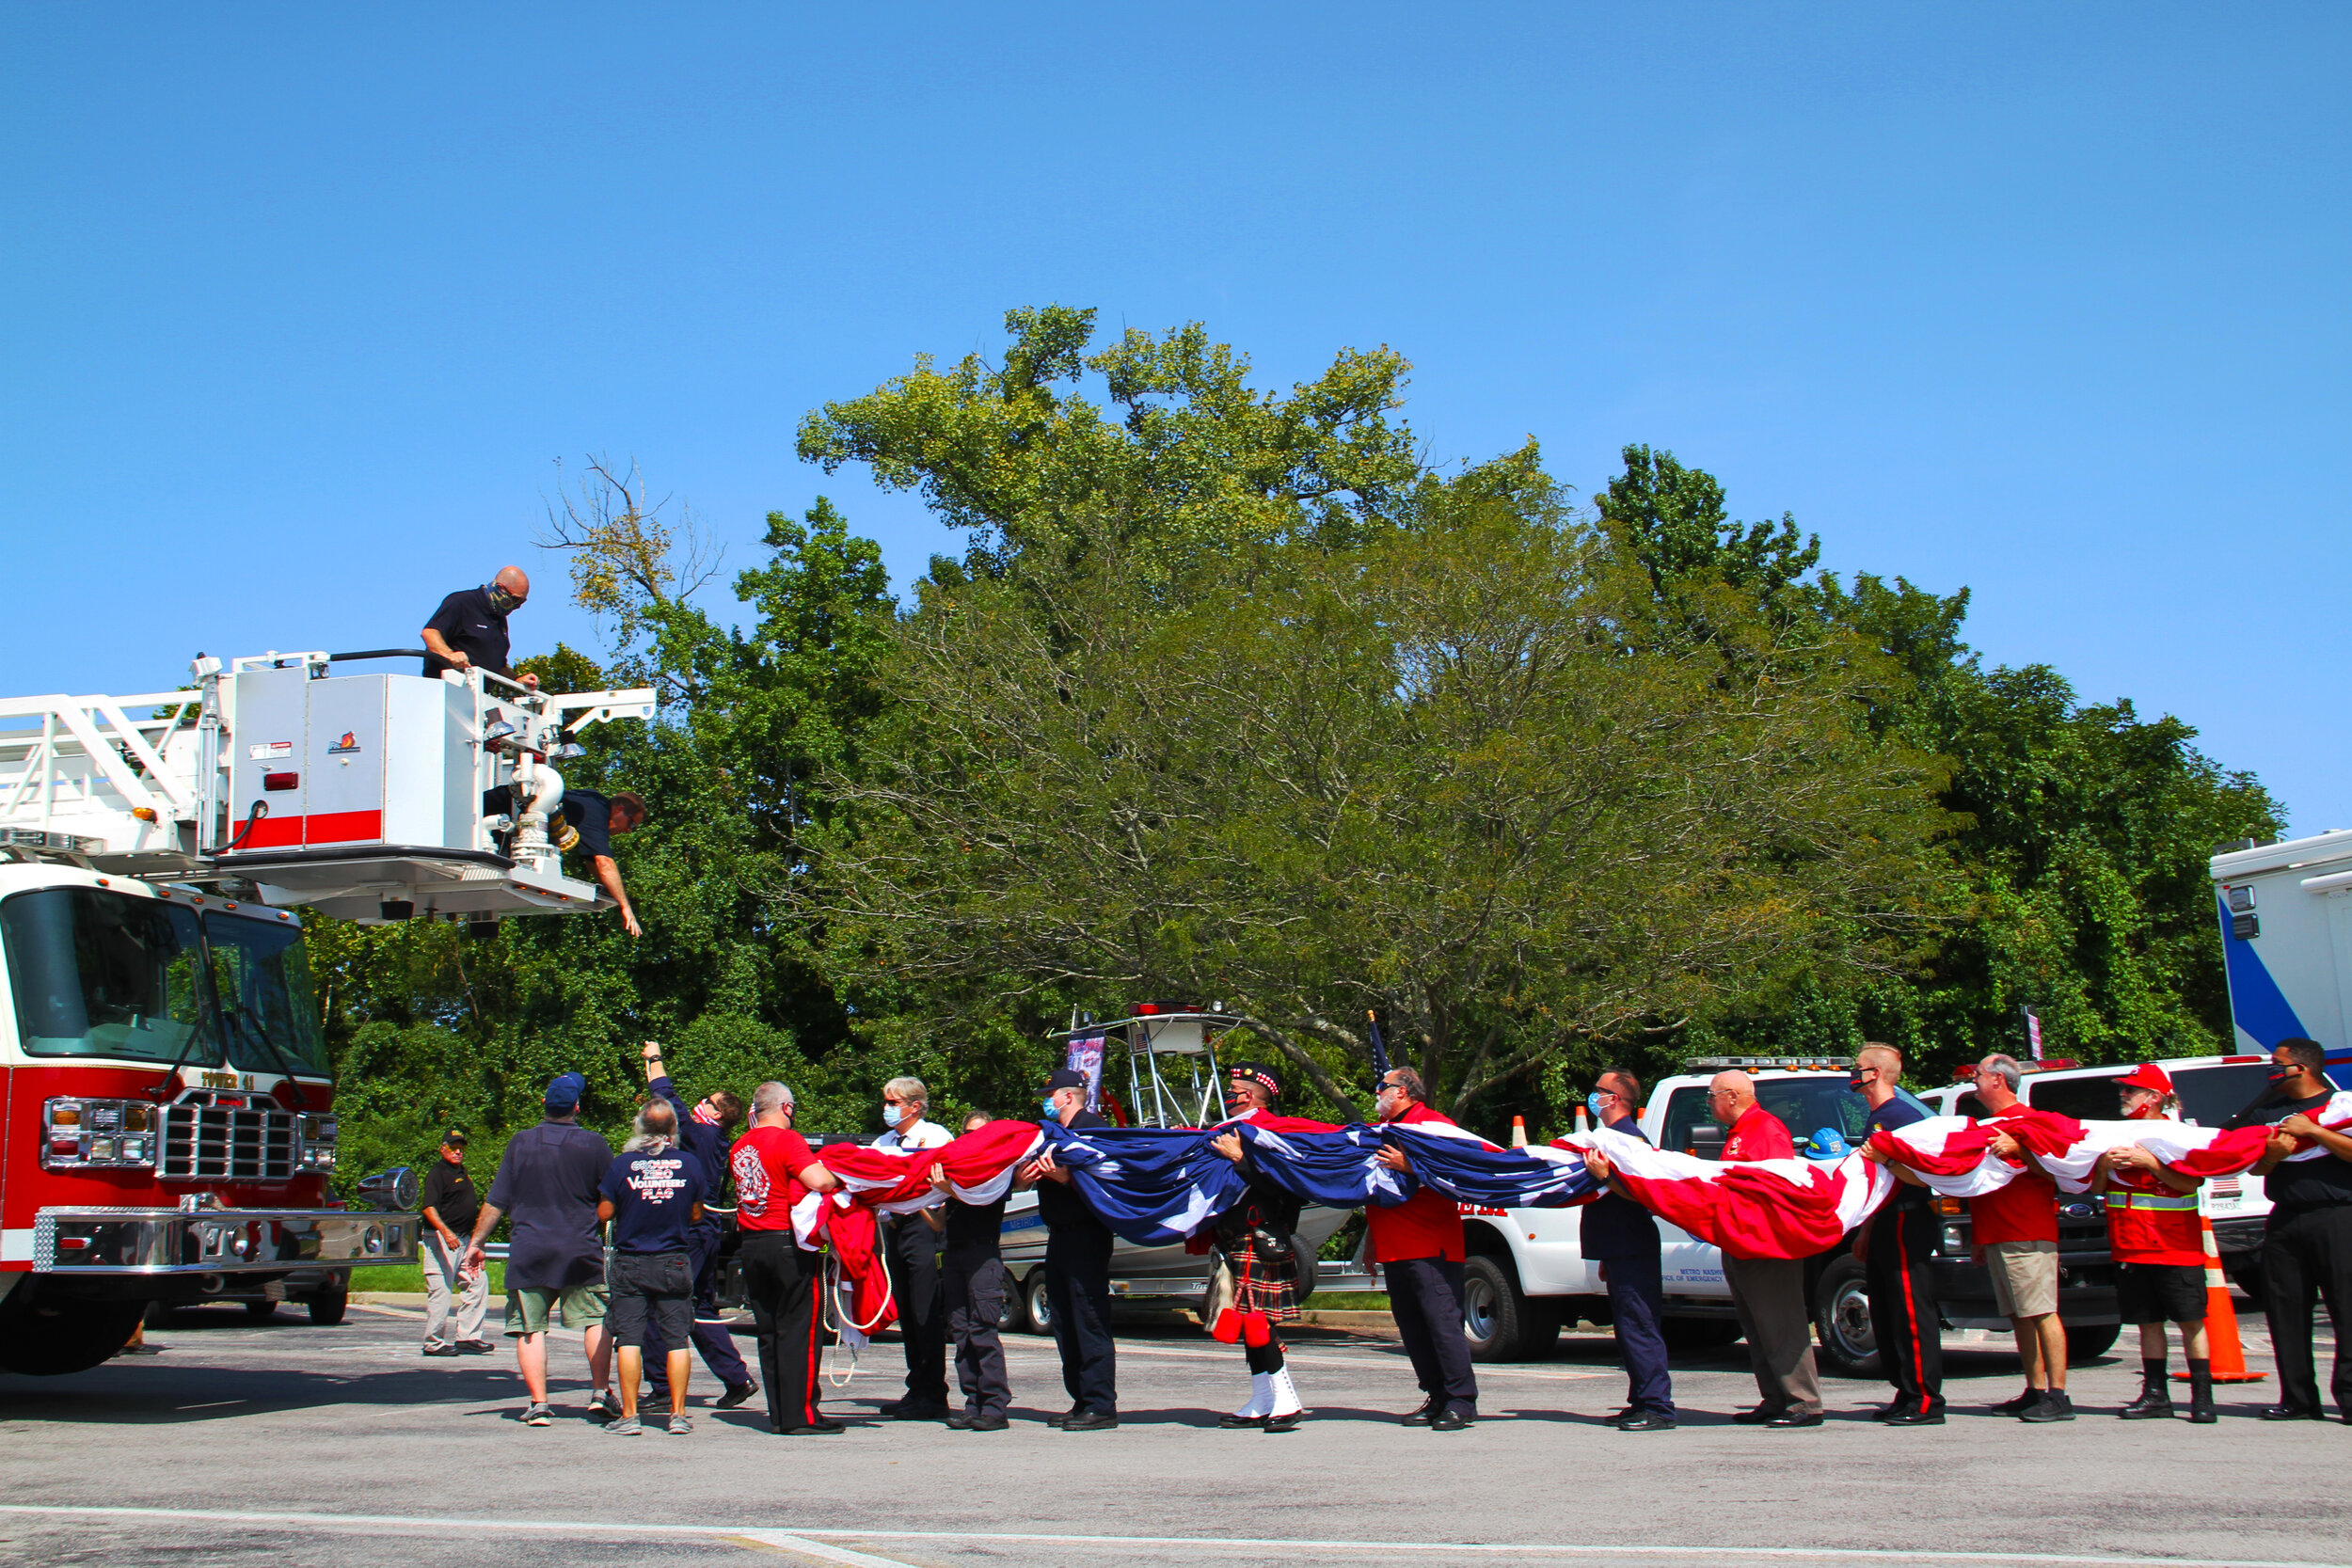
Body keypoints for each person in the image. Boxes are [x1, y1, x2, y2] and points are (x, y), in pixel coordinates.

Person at [458, 1072, 617, 1427]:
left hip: (530, 1248)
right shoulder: (594, 1144)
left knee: (532, 1328)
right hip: (580, 1248)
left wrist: (475, 1244)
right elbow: (611, 1198)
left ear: (544, 1105)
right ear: (577, 1106)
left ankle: (539, 1404)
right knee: (594, 1319)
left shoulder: (521, 1143)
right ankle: (599, 1392)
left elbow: (497, 1201)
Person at [636, 1041, 756, 1411]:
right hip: (706, 1233)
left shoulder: (701, 1135)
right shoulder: (713, 1140)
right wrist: (649, 1065)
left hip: (689, 1233)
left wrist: (657, 1058)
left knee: (659, 1304)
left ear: (717, 1114)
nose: (700, 1102)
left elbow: (666, 1100)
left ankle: (660, 1386)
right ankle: (737, 1378)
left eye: (708, 1100)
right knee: (700, 1309)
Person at [2093, 1062, 2216, 1424]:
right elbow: (2097, 1188)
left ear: (2155, 1097)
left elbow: (2191, 1184)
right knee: (2147, 1324)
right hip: (2130, 1246)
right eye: (2123, 1089)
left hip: (2176, 1246)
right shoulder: (2113, 1135)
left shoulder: (2178, 1136)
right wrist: (2102, 1165)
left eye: (2130, 1090)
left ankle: (2202, 1397)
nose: (2123, 1095)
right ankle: (2155, 1395)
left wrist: (2152, 1163)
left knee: (2191, 1322)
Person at [730, 1080, 848, 1435]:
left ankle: (780, 1412)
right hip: (785, 1243)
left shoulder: (739, 1145)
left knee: (769, 1331)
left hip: (752, 1242)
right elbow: (821, 1182)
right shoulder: (786, 1140)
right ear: (786, 1108)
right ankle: (802, 1415)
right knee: (800, 1331)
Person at [1707, 1069, 1822, 1429]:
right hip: (1742, 1242)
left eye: (1711, 1096)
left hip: (1766, 1244)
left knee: (1781, 1323)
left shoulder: (1765, 1129)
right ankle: (1775, 1398)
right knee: (1757, 1326)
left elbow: (1776, 1186)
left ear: (1731, 1096)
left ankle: (1803, 1401)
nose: (1708, 1104)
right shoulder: (1740, 1133)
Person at [1369, 1067, 1480, 1432]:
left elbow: (1458, 1173)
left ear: (1402, 1092)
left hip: (1430, 1243)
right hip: (1394, 1243)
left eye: (1381, 1086)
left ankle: (1460, 1400)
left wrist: (1410, 1165)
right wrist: (1371, 1240)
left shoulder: (1434, 1126)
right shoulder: (1383, 1131)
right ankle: (1436, 1395)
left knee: (1442, 1323)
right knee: (1413, 1327)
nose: (1377, 1092)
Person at [2248, 1037, 2352, 1421]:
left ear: (2302, 1067)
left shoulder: (2342, 1105)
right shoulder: (2269, 1112)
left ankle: (2349, 1397)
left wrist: (2317, 1131)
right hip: (2286, 1217)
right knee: (2285, 1309)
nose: (2270, 1069)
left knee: (2347, 1308)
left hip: (2339, 1215)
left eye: (2277, 1062)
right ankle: (2297, 1397)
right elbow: (2255, 1166)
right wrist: (2272, 1157)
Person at [596, 1099, 709, 1435]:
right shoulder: (689, 1164)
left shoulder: (621, 1165)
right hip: (673, 1259)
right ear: (673, 1129)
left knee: (629, 1338)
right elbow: (696, 1213)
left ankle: (629, 1416)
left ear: (639, 1127)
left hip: (631, 1260)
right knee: (677, 1339)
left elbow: (604, 1212)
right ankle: (678, 1414)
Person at [1206, 1062, 1310, 1433]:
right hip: (1235, 1239)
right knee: (1249, 1325)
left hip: (1260, 1237)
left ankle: (1287, 1399)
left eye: (1233, 1089)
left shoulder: (1272, 1132)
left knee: (1258, 1322)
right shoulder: (1229, 1130)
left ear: (1249, 1096)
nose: (1227, 1094)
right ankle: (1262, 1399)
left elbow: (1286, 1186)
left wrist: (1241, 1159)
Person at [1968, 1054, 2071, 1421]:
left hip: (2028, 1231)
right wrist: (1980, 1237)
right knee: (2019, 1316)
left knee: (2042, 1312)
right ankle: (2035, 1388)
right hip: (1998, 1232)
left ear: (1998, 1080)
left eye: (1977, 1074)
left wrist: (2021, 1151)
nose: (1972, 1080)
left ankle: (2058, 1395)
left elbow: (2062, 1169)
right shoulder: (1986, 1125)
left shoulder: (2033, 1121)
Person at [1574, 1069, 1674, 1432]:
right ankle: (1641, 1399)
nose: (1592, 1095)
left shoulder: (1630, 1140)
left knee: (1640, 1325)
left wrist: (1606, 1177)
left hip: (1632, 1246)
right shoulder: (1609, 1138)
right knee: (1628, 1328)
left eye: (1598, 1090)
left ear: (1614, 1099)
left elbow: (1643, 1193)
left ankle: (1658, 1406)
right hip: (1618, 1247)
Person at [1851, 1043, 1944, 1425]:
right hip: (1884, 1220)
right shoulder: (1876, 1116)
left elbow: (1923, 1174)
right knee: (1888, 1312)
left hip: (1908, 1218)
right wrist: (1866, 1231)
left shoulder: (1903, 1116)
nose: (1852, 1074)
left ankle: (1926, 1400)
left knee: (1910, 1310)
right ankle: (1905, 1391)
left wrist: (1886, 1157)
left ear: (1875, 1072)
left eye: (1858, 1067)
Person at [1022, 1068, 1119, 1431]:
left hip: (1087, 1234)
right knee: (1063, 1317)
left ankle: (1100, 1403)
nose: (1046, 1101)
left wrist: (1066, 1178)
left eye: (1049, 1095)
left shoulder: (1096, 1128)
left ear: (1066, 1096)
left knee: (1087, 1315)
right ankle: (1081, 1399)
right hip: (1060, 1233)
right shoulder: (1054, 1135)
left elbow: (1109, 1182)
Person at [875, 1075, 955, 1421]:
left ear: (915, 1106)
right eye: (886, 1102)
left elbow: (941, 1183)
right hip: (894, 1227)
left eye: (894, 1103)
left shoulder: (935, 1136)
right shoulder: (883, 1141)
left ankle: (934, 1392)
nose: (887, 1109)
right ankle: (917, 1387)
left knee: (926, 1311)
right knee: (906, 1311)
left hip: (925, 1225)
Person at [480, 784, 649, 938]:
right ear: (619, 810)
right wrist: (626, 908)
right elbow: (604, 863)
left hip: (498, 807)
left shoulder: (594, 802)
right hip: (499, 811)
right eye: (632, 825)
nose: (628, 831)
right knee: (496, 868)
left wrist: (611, 892)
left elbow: (593, 861)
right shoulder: (598, 814)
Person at [937, 1110, 1012, 1432]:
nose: (972, 1138)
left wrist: (947, 1189)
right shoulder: (955, 1173)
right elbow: (941, 1219)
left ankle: (995, 1406)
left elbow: (978, 1199)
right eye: (967, 1133)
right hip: (954, 1253)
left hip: (983, 1254)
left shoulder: (994, 1171)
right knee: (961, 1330)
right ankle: (973, 1402)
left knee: (983, 1328)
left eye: (979, 1133)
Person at [419, 1129, 491, 1356]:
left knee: (478, 1282)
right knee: (441, 1290)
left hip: (464, 1239)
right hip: (442, 1240)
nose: (458, 1152)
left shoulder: (462, 1172)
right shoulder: (437, 1173)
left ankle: (468, 1337)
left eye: (461, 1148)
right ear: (443, 1148)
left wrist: (476, 1244)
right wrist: (446, 1233)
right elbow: (429, 1208)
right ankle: (434, 1342)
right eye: (453, 1147)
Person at [421, 565, 539, 689]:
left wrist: (517, 679)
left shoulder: (499, 619)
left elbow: (497, 666)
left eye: (521, 602)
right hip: (449, 691)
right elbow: (430, 633)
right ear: (500, 588)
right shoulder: (462, 602)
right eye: (515, 600)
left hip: (478, 696)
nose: (517, 606)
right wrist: (450, 655)